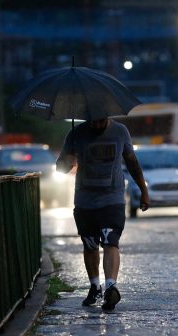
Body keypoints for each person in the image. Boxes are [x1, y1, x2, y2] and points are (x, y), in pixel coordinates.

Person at [56, 117, 149, 311]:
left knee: (110, 241)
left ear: (107, 116)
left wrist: (143, 190)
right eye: (93, 122)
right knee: (90, 245)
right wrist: (68, 161)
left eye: (100, 121)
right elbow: (60, 168)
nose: (97, 125)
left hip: (112, 200)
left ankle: (110, 287)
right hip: (84, 201)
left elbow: (132, 162)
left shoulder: (120, 131)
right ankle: (94, 285)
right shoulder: (75, 134)